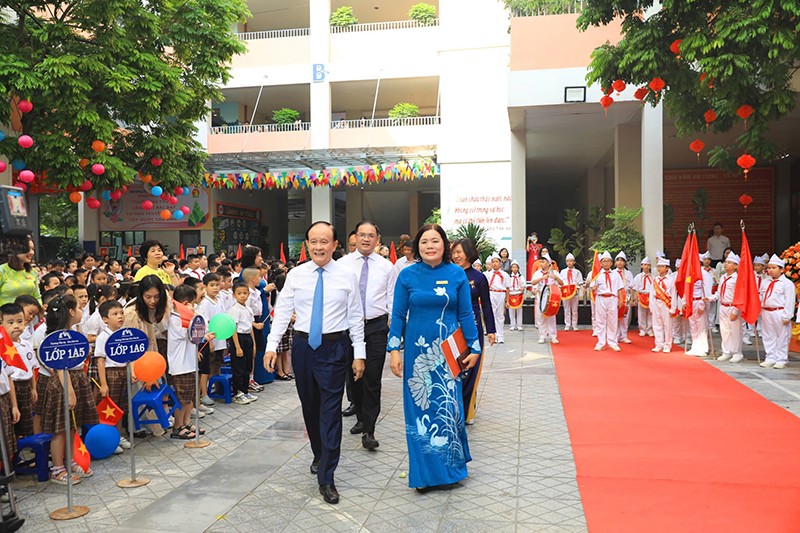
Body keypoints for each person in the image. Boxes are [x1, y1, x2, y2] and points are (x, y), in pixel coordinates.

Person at [265, 221, 366, 505]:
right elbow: (283, 311)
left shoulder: (347, 276)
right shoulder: (296, 275)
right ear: (307, 245)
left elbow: (356, 316)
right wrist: (271, 346)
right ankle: (319, 453)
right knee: (310, 407)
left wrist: (360, 353)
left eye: (325, 241)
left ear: (335, 245)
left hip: (335, 348)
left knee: (330, 411)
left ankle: (327, 476)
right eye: (314, 241)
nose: (319, 246)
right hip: (303, 348)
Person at [388, 224, 480, 492]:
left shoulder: (456, 275)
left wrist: (474, 349)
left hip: (449, 353)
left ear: (445, 245)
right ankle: (424, 476)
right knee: (420, 410)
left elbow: (465, 314)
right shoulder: (407, 276)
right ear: (417, 246)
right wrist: (394, 350)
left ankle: (450, 471)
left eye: (435, 241)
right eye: (424, 241)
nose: (430, 246)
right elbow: (397, 315)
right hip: (419, 357)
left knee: (449, 408)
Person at [338, 221, 397, 451]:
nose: (366, 239)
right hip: (348, 328)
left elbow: (391, 298)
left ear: (377, 239)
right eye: (362, 235)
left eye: (370, 235)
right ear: (355, 237)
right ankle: (361, 416)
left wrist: (394, 325)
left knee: (372, 378)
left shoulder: (387, 266)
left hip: (376, 327)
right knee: (353, 376)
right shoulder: (342, 265)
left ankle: (369, 430)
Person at [42, 294, 98, 484]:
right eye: (78, 308)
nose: (82, 310)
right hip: (65, 382)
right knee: (61, 428)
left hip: (78, 377)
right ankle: (57, 468)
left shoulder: (74, 331)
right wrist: (70, 391)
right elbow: (58, 367)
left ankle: (70, 459)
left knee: (73, 425)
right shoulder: (55, 337)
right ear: (71, 311)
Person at [450, 238, 495, 425]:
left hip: (473, 328)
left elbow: (485, 304)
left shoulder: (479, 278)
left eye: (459, 252)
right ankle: (451, 408)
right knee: (453, 369)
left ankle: (466, 411)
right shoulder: (448, 274)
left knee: (470, 369)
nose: (456, 255)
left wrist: (491, 330)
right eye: (453, 252)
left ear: (469, 253)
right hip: (451, 328)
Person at [93, 300, 132, 452]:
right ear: (105, 319)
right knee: (111, 407)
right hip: (111, 374)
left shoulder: (123, 334)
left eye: (121, 313)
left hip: (124, 372)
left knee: (121, 406)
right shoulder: (103, 337)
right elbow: (100, 362)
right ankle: (110, 439)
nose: (120, 316)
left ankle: (118, 435)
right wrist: (104, 384)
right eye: (115, 314)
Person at [2, 303, 35, 440]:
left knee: (26, 418)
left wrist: (33, 388)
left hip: (26, 385)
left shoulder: (26, 343)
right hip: (12, 387)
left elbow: (31, 367)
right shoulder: (3, 346)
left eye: (20, 321)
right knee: (13, 419)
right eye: (10, 322)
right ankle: (15, 450)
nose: (16, 326)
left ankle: (25, 445)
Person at [758, 255, 796, 369]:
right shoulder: (765, 282)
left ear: (781, 269)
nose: (770, 270)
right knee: (768, 335)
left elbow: (790, 300)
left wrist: (787, 315)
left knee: (782, 336)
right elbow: (761, 296)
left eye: (773, 268)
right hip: (766, 311)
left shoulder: (787, 283)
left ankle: (781, 358)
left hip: (779, 311)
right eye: (769, 268)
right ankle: (770, 357)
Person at [197, 273, 227, 408]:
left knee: (217, 364)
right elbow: (205, 324)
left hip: (220, 339)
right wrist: (210, 342)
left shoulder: (219, 299)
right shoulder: (204, 303)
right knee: (206, 368)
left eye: (217, 285)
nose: (215, 288)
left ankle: (214, 387)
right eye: (212, 285)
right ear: (205, 286)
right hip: (209, 340)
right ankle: (203, 393)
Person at [228, 281, 257, 405]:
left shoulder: (248, 309)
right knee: (238, 366)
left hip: (247, 338)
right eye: (239, 293)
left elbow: (250, 327)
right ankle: (237, 392)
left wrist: (254, 344)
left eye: (245, 293)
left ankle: (245, 390)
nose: (242, 296)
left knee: (247, 366)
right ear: (234, 295)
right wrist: (237, 346)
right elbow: (233, 328)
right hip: (238, 338)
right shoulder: (234, 310)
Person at [589, 251, 625, 351]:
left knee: (612, 321)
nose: (606, 263)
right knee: (600, 321)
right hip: (601, 298)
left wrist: (621, 300)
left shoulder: (616, 275)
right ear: (600, 263)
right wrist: (593, 287)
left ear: (611, 263)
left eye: (608, 261)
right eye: (604, 261)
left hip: (612, 298)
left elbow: (620, 288)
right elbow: (591, 287)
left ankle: (612, 342)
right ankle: (601, 342)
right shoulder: (597, 275)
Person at [685, 255, 715, 357]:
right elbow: (687, 288)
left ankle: (703, 348)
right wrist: (685, 302)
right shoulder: (689, 273)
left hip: (699, 301)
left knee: (701, 325)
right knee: (693, 325)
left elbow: (707, 290)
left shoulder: (705, 274)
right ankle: (695, 346)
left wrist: (703, 305)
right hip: (691, 302)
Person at [530, 253, 564, 344]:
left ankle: (553, 336)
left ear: (549, 263)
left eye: (543, 262)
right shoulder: (538, 273)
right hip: (540, 295)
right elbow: (533, 282)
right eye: (540, 262)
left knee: (551, 317)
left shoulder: (554, 272)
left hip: (551, 297)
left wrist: (555, 277)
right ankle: (542, 335)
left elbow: (561, 283)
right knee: (540, 317)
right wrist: (542, 278)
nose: (541, 263)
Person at [716, 253, 743, 363]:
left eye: (729, 263)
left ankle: (737, 352)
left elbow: (740, 295)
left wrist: (736, 311)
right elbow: (719, 292)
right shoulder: (723, 277)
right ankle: (726, 351)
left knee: (735, 331)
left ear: (736, 266)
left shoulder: (737, 278)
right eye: (725, 262)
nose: (726, 264)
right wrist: (711, 297)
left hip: (733, 306)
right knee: (725, 330)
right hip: (723, 306)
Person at [0, 235, 40, 306]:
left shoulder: (33, 272)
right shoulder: (2, 271)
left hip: (30, 316)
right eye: (28, 249)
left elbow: (37, 297)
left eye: (33, 249)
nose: (31, 253)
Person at [650, 257, 677, 352]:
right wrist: (651, 306)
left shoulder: (671, 280)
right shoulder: (655, 280)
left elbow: (673, 295)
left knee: (667, 325)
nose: (659, 268)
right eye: (658, 266)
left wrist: (673, 308)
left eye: (662, 266)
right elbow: (651, 294)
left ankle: (667, 344)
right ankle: (658, 344)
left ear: (667, 268)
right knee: (657, 324)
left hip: (666, 303)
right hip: (657, 302)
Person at [484, 253, 510, 344]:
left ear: (500, 263)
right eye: (493, 262)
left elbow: (507, 288)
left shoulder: (505, 274)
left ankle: (501, 336)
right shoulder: (487, 275)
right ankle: (493, 334)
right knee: (492, 315)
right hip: (491, 293)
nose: (495, 264)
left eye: (496, 262)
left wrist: (507, 300)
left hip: (501, 294)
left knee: (500, 316)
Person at [613, 252, 634, 344]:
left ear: (625, 263)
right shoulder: (612, 273)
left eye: (622, 261)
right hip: (616, 296)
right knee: (616, 316)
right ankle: (616, 336)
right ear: (615, 263)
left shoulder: (629, 273)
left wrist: (632, 299)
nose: (620, 262)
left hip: (627, 296)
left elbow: (631, 287)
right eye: (618, 260)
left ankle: (624, 336)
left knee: (625, 316)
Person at [560, 253, 583, 331]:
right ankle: (567, 324)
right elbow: (561, 282)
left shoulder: (577, 272)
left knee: (574, 309)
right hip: (565, 292)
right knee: (566, 309)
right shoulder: (563, 272)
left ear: (574, 262)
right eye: (567, 261)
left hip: (574, 292)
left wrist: (580, 288)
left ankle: (574, 324)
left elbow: (580, 282)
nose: (569, 263)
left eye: (571, 261)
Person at [632, 257, 654, 337]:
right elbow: (635, 288)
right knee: (641, 313)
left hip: (650, 295)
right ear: (641, 266)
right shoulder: (638, 277)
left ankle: (650, 329)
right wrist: (634, 298)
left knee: (651, 313)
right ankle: (642, 329)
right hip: (641, 296)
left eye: (648, 265)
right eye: (645, 265)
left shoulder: (653, 277)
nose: (646, 267)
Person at [507, 260, 525, 331]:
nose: (514, 269)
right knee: (511, 311)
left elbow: (524, 285)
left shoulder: (521, 277)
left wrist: (522, 287)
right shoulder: (508, 277)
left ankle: (519, 325)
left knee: (519, 311)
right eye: (513, 267)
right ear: (511, 268)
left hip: (518, 294)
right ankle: (512, 324)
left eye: (516, 267)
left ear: (518, 268)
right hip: (511, 294)